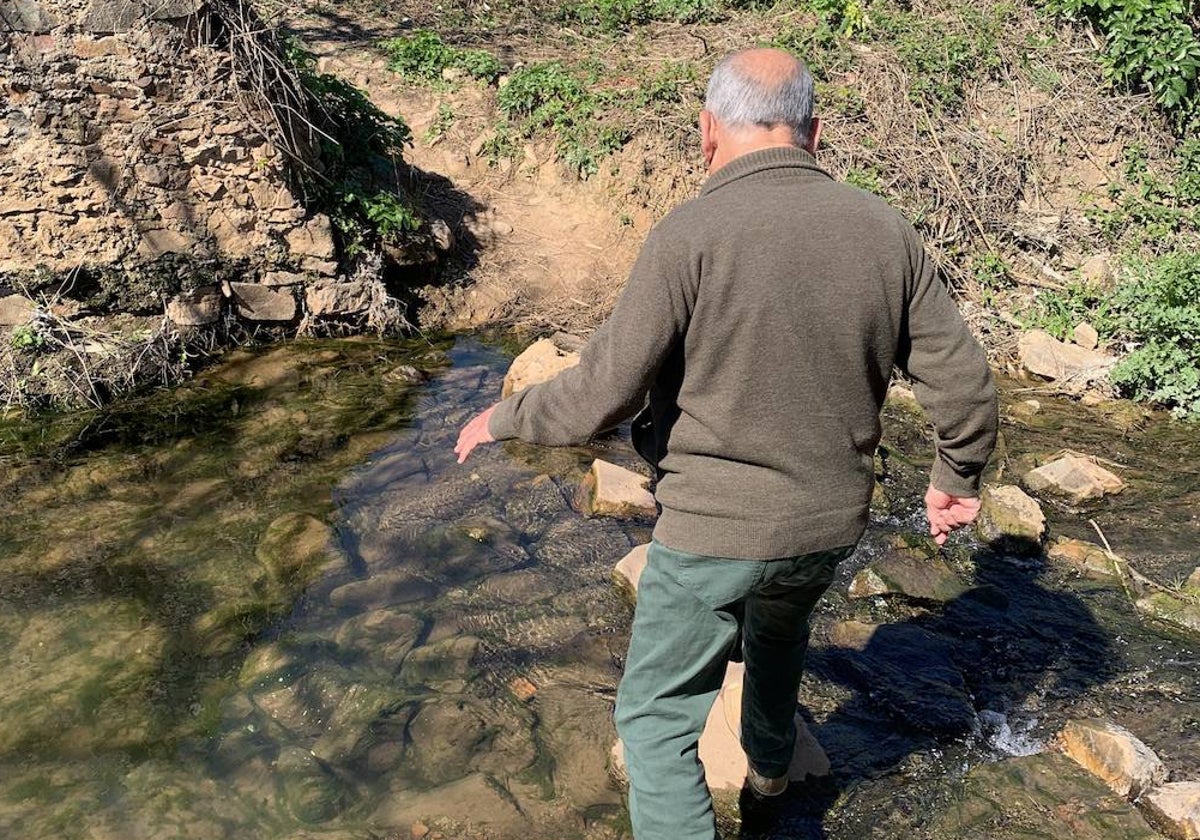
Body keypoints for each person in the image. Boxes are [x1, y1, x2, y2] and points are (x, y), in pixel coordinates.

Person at [455, 47, 997, 840]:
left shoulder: (692, 233)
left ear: (708, 132)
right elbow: (965, 380)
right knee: (777, 635)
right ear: (815, 130)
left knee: (655, 718)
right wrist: (958, 473)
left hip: (715, 527)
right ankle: (772, 777)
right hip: (826, 522)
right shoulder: (884, 230)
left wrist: (504, 416)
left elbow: (603, 391)